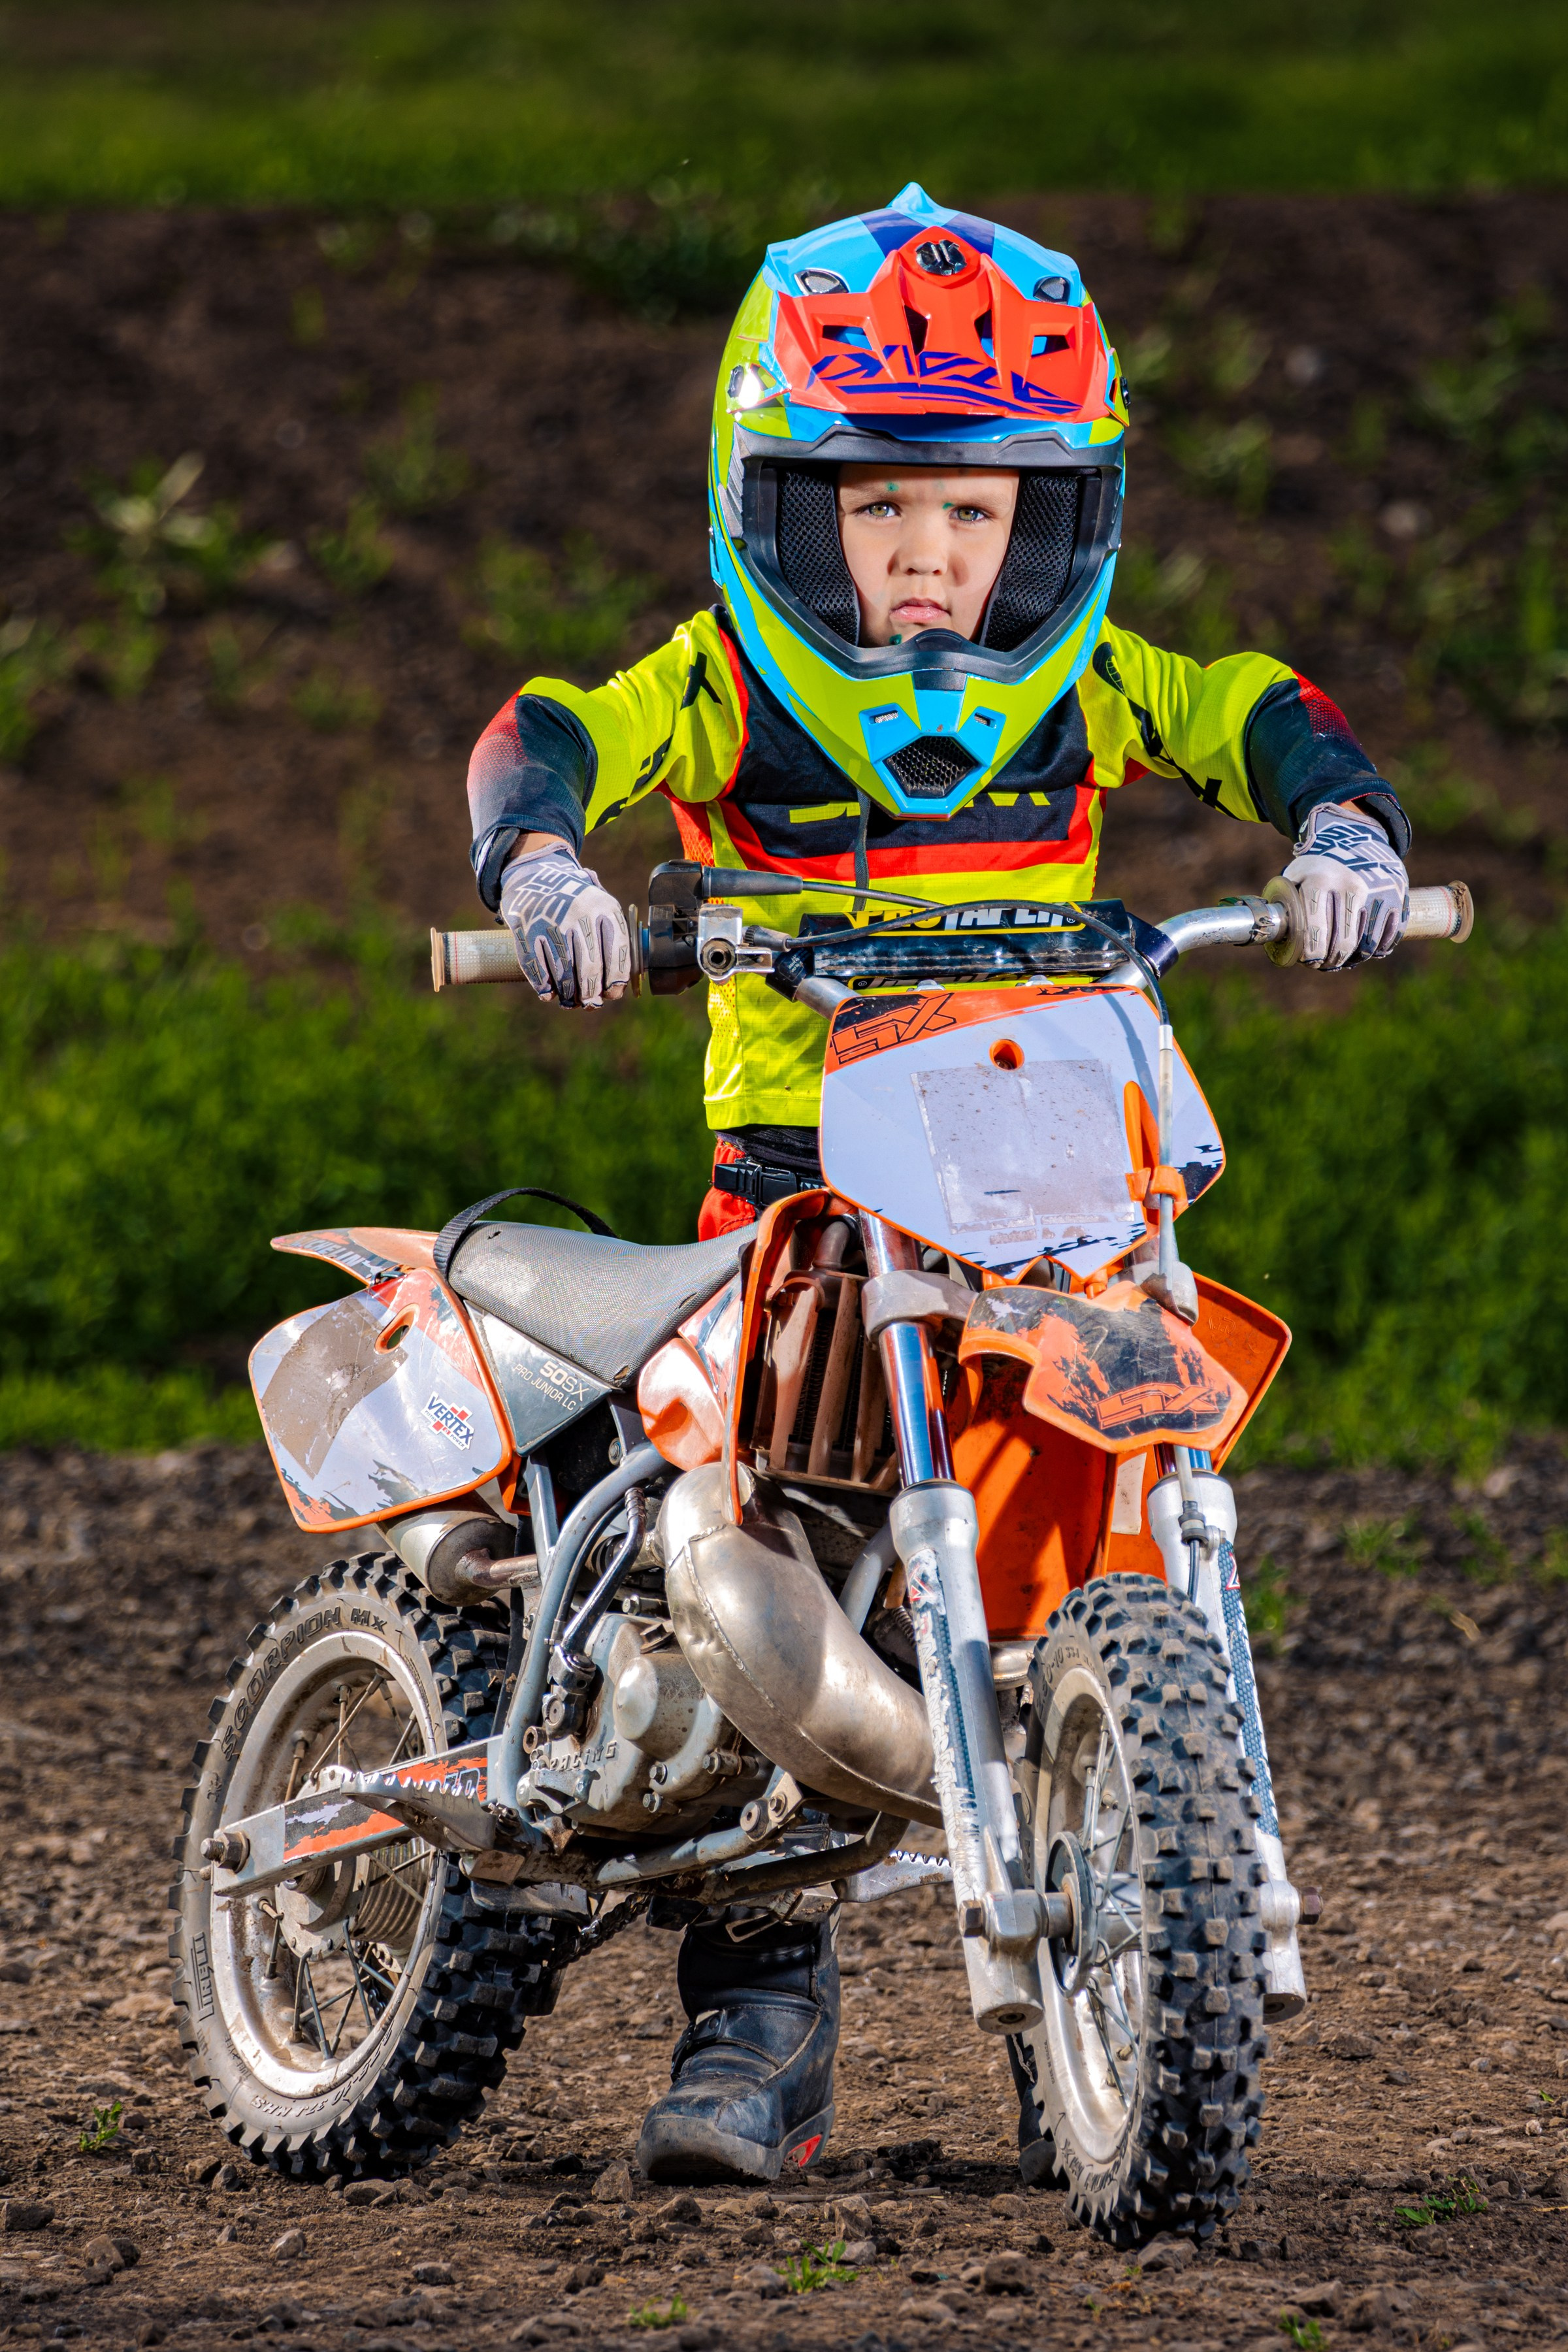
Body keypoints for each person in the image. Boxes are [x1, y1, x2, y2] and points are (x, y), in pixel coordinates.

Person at [463, 184, 1411, 2183]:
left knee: (1094, 1510)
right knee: (768, 1545)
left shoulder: (1085, 686)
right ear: (783, 506)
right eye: (877, 509)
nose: (926, 555)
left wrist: (1345, 830)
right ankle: (756, 2033)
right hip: (803, 1173)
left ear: (1050, 521)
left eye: (975, 513)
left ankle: (1124, 1971)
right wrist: (546, 870)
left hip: (1041, 1157)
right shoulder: (726, 678)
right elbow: (547, 729)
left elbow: (1253, 703)